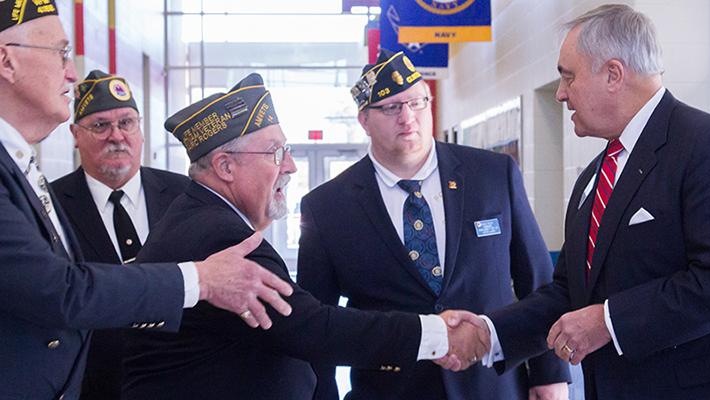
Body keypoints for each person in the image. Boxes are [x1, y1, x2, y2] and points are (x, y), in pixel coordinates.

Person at [442, 4, 710, 400]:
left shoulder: (706, 145)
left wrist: (609, 321)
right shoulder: (594, 177)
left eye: (568, 77)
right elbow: (570, 293)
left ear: (613, 74)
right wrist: (491, 333)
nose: (561, 94)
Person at [121, 72, 486, 400]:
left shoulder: (200, 217)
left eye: (288, 151)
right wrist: (437, 334)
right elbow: (313, 327)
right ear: (225, 167)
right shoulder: (221, 237)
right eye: (276, 153)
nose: (291, 166)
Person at [0, 3, 295, 399]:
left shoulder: (184, 196)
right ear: (7, 60)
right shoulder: (44, 188)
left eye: (127, 123)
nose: (71, 71)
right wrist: (200, 278)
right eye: (60, 53)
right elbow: (60, 291)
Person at [296, 49, 570, 400]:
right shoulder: (327, 207)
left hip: (493, 387)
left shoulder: (492, 174)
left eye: (417, 102)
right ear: (363, 120)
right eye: (391, 107)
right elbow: (317, 327)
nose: (407, 117)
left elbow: (538, 281)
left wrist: (550, 377)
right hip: (391, 391)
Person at [51, 70, 190, 400]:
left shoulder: (183, 195)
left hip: (181, 380)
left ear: (140, 131)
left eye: (126, 122)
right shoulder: (52, 205)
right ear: (75, 134)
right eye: (100, 125)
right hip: (94, 386)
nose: (116, 135)